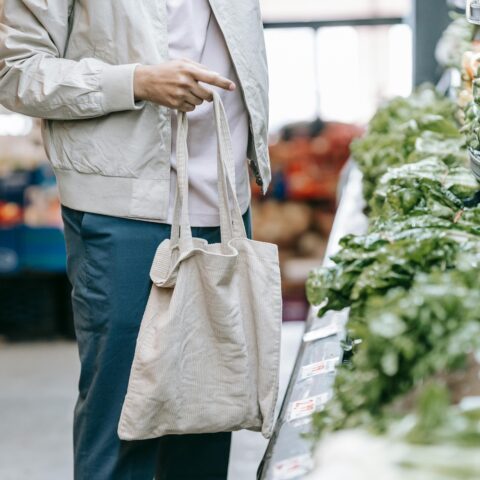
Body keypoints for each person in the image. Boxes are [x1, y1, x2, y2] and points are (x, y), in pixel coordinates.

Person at [0, 0, 271, 478]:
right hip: (123, 210)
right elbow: (15, 71)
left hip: (225, 205)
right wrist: (134, 81)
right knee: (124, 426)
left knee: (207, 420)